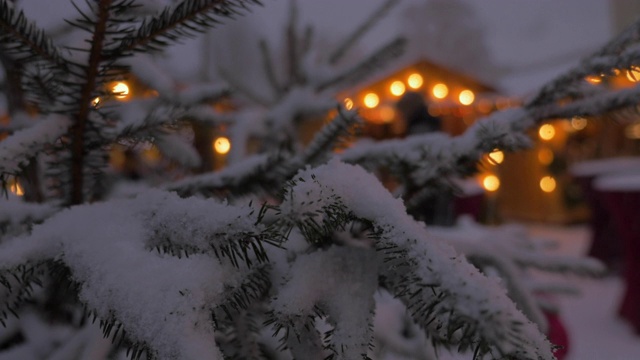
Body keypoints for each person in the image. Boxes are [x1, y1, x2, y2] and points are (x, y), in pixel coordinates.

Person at [396, 91, 454, 225]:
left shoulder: (420, 127)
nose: (401, 116)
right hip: (432, 182)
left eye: (402, 111)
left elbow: (421, 157)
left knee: (427, 224)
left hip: (428, 183)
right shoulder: (427, 123)